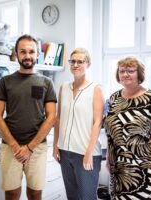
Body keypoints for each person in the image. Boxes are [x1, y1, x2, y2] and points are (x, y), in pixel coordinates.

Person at [0, 34, 57, 200]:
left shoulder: (46, 82)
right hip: (10, 148)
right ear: (16, 53)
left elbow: (51, 117)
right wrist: (15, 146)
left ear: (37, 54)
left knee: (35, 193)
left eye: (31, 51)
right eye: (23, 51)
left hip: (37, 148)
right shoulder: (5, 82)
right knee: (12, 193)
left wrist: (29, 148)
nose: (27, 56)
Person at [104, 56, 151, 199]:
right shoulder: (113, 99)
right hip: (118, 170)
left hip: (143, 170)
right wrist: (109, 159)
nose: (125, 74)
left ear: (139, 74)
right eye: (122, 71)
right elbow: (112, 134)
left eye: (130, 71)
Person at [53, 48, 105, 200]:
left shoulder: (95, 89)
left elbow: (97, 122)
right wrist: (56, 145)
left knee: (87, 197)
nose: (75, 64)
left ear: (88, 64)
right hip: (65, 151)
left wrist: (89, 153)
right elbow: (58, 118)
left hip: (85, 153)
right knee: (72, 196)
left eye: (80, 61)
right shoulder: (64, 87)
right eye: (72, 61)